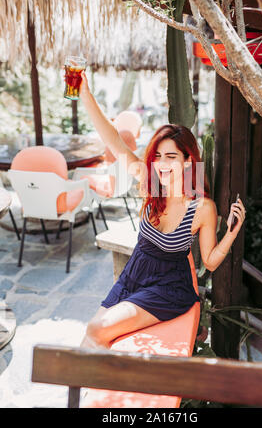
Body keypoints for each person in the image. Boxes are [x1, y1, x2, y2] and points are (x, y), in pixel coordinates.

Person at [79, 72, 246, 349]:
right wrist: (85, 93)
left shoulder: (201, 207)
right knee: (89, 341)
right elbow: (113, 141)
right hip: (135, 274)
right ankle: (95, 390)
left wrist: (231, 232)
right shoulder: (151, 185)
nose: (162, 164)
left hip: (169, 287)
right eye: (157, 156)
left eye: (171, 157)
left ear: (188, 161)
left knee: (98, 329)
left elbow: (211, 261)